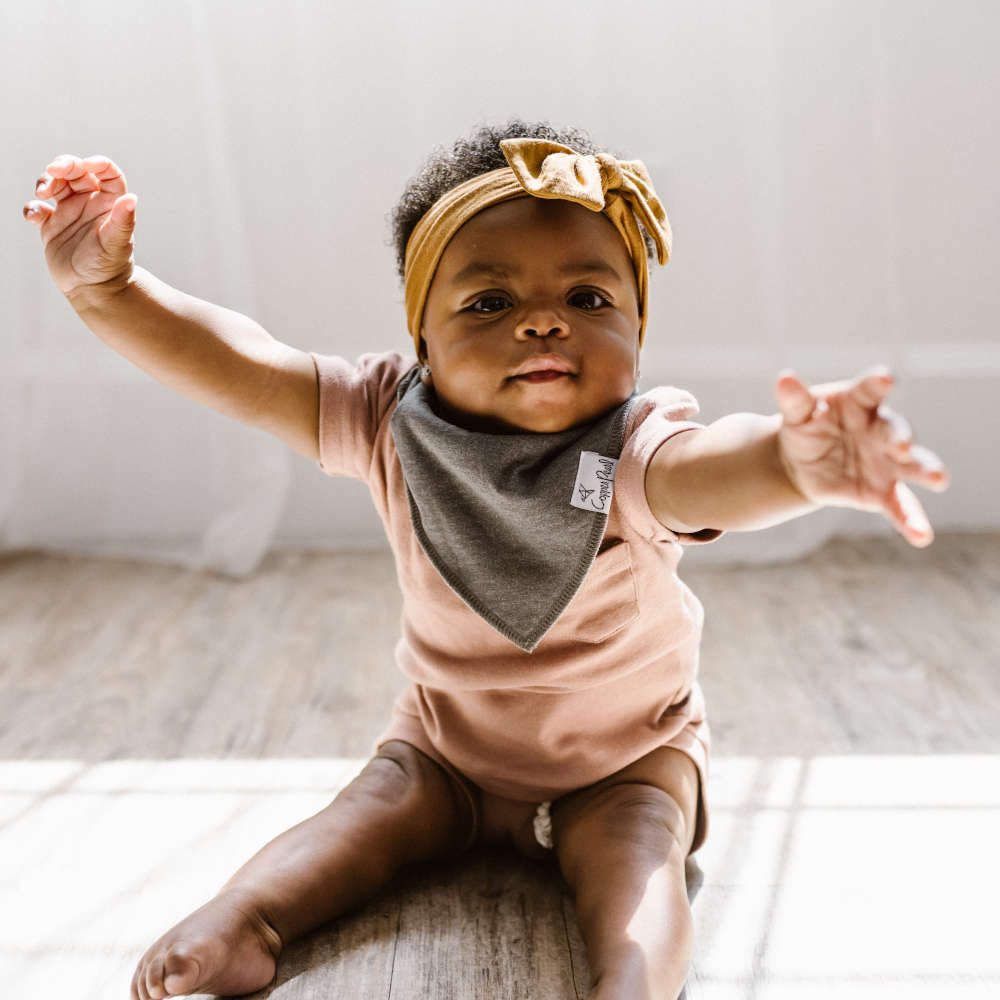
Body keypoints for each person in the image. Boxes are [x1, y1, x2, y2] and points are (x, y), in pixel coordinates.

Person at [23, 118, 949, 1000]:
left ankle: (631, 985)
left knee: (640, 860)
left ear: (638, 329)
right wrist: (111, 291)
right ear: (421, 336)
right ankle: (248, 917)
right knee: (367, 813)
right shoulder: (388, 419)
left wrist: (792, 462)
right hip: (448, 749)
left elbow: (710, 474)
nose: (545, 322)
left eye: (589, 298)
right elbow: (243, 364)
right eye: (491, 301)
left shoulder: (633, 445)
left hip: (625, 755)